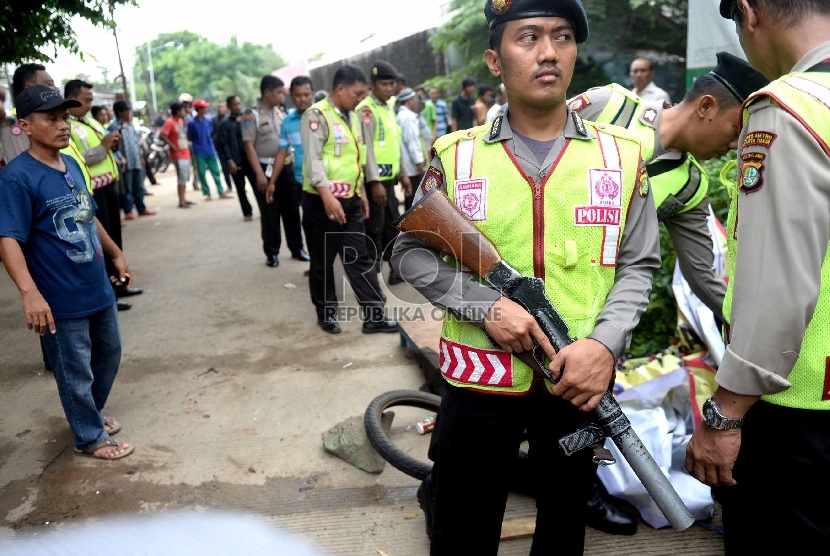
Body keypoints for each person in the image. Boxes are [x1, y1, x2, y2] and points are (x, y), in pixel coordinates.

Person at [391, 0, 661, 552]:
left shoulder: (624, 157)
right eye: (529, 37)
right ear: (495, 59)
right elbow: (408, 251)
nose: (548, 52)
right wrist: (483, 305)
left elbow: (638, 264)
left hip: (577, 381)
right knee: (461, 528)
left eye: (562, 37)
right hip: (479, 383)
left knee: (563, 529)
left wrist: (604, 348)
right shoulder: (457, 155)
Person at [685, 2, 830, 554]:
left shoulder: (790, 110)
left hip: (802, 417)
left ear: (748, 12)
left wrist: (724, 414)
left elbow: (778, 289)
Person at [570, 52, 769, 322]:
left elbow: (702, 276)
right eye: (736, 131)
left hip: (590, 310)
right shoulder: (610, 107)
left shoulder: (690, 187)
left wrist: (750, 328)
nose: (736, 146)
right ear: (706, 107)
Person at [0, 85, 135, 460]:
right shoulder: (16, 177)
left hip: (95, 285)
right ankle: (89, 436)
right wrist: (30, 293)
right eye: (52, 119)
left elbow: (88, 217)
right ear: (26, 126)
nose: (64, 126)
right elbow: (7, 238)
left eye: (65, 118)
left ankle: (88, 414)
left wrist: (115, 254)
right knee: (74, 370)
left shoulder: (72, 164)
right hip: (59, 295)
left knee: (108, 354)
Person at [300, 64, 398, 335]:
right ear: (340, 89)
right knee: (323, 260)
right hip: (321, 202)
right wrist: (326, 196)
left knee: (359, 257)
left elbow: (359, 156)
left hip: (351, 200)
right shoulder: (316, 115)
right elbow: (313, 160)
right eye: (356, 93)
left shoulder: (353, 116)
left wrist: (363, 193)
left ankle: (374, 316)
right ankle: (326, 312)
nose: (359, 98)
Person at [65, 80, 139, 310]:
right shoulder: (66, 125)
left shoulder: (88, 121)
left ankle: (121, 283)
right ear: (71, 98)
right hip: (92, 191)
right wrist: (104, 146)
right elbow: (75, 159)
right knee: (102, 243)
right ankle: (110, 293)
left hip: (107, 186)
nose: (90, 105)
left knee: (114, 237)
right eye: (86, 100)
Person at [356, 61, 413, 282]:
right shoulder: (366, 110)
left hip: (390, 179)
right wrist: (373, 181)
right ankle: (371, 272)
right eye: (384, 84)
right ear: (372, 85)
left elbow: (394, 143)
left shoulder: (388, 107)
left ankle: (394, 270)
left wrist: (404, 173)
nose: (389, 88)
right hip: (376, 181)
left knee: (392, 224)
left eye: (392, 84)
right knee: (375, 228)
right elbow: (366, 148)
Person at [244, 76, 308, 267]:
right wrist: (259, 174)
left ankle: (297, 248)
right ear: (267, 92)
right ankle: (272, 252)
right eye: (279, 92)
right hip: (265, 167)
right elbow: (249, 147)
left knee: (292, 210)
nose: (282, 96)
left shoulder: (281, 113)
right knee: (270, 212)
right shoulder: (251, 115)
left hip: (286, 166)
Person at [267, 76, 314, 253]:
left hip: (328, 182)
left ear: (312, 94)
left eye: (306, 94)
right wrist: (272, 181)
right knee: (309, 224)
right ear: (291, 97)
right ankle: (317, 264)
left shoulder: (325, 116)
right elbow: (281, 152)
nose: (303, 99)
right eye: (298, 95)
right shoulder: (287, 122)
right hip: (302, 182)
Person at [1, 64, 58, 166]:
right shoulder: (12, 124)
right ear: (29, 88)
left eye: (65, 118)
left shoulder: (60, 121)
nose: (56, 89)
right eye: (49, 84)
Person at [110, 101, 157, 219]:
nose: (129, 114)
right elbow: (113, 147)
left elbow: (136, 143)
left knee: (139, 186)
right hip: (125, 163)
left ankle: (142, 208)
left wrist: (141, 157)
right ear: (120, 112)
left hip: (136, 161)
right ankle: (128, 210)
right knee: (127, 188)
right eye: (127, 111)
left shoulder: (131, 126)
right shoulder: (114, 127)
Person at [216, 95, 254, 220]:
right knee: (241, 188)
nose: (237, 107)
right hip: (236, 160)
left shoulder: (247, 119)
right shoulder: (225, 124)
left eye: (239, 104)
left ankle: (264, 209)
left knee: (257, 186)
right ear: (229, 107)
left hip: (250, 159)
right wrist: (229, 160)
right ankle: (247, 212)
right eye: (234, 105)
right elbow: (224, 144)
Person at [187, 99, 232, 201]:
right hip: (199, 151)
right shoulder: (192, 123)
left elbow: (212, 133)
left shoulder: (208, 120)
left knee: (215, 171)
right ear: (199, 109)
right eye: (204, 107)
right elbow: (189, 136)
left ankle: (221, 192)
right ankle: (207, 193)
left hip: (210, 150)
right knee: (202, 173)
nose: (206, 109)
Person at [159, 101, 195, 209]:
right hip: (178, 154)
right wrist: (172, 146)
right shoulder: (170, 122)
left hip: (185, 152)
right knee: (181, 177)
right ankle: (181, 200)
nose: (184, 112)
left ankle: (184, 198)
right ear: (178, 111)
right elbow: (162, 135)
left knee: (185, 177)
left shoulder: (180, 120)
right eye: (183, 110)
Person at [396, 88, 425, 219]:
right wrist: (419, 162)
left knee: (411, 197)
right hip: (412, 166)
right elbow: (412, 142)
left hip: (407, 164)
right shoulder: (407, 117)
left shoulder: (401, 116)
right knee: (414, 198)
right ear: (409, 100)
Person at [179, 93, 200, 192]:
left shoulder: (194, 114)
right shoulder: (179, 116)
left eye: (188, 103)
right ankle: (183, 184)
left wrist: (190, 113)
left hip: (194, 142)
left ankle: (196, 182)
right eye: (184, 104)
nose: (186, 106)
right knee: (185, 165)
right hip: (184, 143)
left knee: (196, 164)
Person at [213, 100, 234, 192]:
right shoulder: (213, 120)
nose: (220, 109)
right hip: (220, 148)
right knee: (224, 168)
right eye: (219, 107)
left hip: (231, 147)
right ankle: (229, 185)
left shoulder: (230, 119)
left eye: (222, 107)